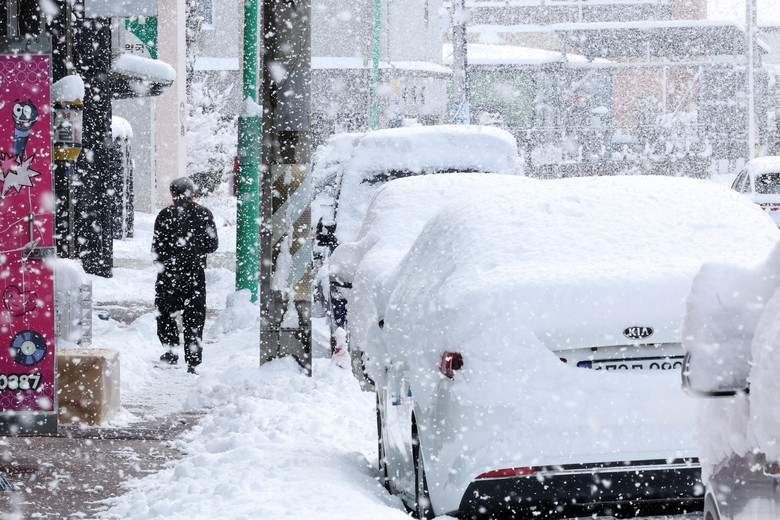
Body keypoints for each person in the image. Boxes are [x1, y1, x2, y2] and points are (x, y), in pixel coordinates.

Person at [152, 177, 218, 374]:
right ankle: (193, 361)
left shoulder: (165, 215)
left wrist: (166, 261)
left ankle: (171, 353)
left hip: (169, 274)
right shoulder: (204, 214)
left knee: (166, 314)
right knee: (194, 317)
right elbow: (213, 245)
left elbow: (156, 248)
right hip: (194, 274)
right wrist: (196, 251)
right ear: (192, 193)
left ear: (172, 194)